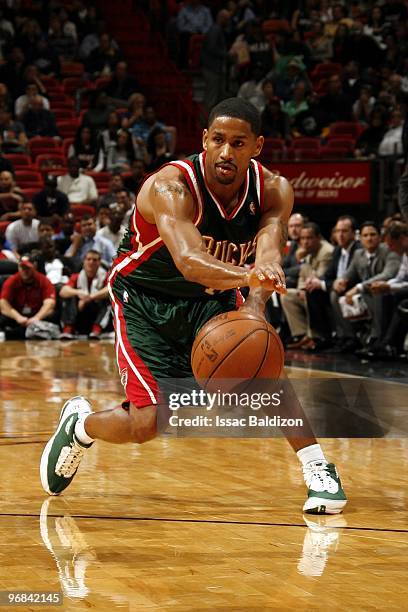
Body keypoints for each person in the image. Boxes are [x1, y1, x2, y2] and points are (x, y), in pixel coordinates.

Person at [40, 98, 347, 515]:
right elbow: (190, 262)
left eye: (238, 143)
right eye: (217, 140)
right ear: (204, 139)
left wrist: (255, 307)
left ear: (256, 146)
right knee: (147, 424)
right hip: (146, 300)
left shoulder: (274, 190)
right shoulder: (170, 187)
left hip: (210, 299)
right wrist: (248, 277)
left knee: (264, 376)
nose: (225, 152)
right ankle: (80, 427)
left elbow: (268, 256)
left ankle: (317, 467)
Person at [0, 254, 56, 339]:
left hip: (37, 316)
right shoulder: (11, 281)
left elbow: (50, 304)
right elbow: (3, 304)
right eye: (22, 268)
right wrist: (18, 317)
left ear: (35, 266)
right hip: (17, 316)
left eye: (27, 268)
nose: (24, 271)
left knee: (52, 314)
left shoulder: (44, 281)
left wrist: (37, 318)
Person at [59, 250, 110, 340]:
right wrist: (78, 292)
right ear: (84, 261)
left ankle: (96, 330)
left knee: (108, 300)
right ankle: (68, 330)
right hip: (79, 313)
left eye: (95, 260)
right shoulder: (77, 276)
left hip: (97, 312)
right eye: (89, 259)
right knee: (69, 297)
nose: (91, 262)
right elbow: (63, 291)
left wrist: (89, 297)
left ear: (99, 262)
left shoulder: (106, 276)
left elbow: (110, 290)